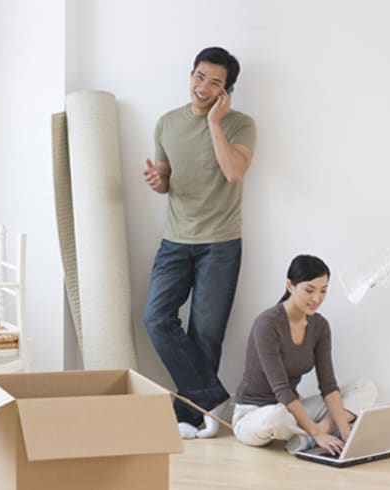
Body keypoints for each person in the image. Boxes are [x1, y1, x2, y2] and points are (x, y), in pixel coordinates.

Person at [141, 46, 257, 440]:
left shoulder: (240, 125)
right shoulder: (167, 123)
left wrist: (214, 123)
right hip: (174, 240)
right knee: (156, 319)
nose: (203, 87)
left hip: (220, 244)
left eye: (214, 82)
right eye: (199, 76)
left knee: (206, 333)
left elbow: (234, 172)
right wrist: (158, 182)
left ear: (227, 90)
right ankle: (211, 399)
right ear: (191, 73)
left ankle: (190, 418)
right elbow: (166, 179)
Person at [231, 255, 377, 455]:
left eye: (323, 290)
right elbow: (282, 390)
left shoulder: (320, 326)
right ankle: (314, 434)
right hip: (257, 414)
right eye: (309, 290)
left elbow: (328, 386)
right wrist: (317, 433)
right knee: (276, 416)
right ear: (290, 286)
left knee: (366, 388)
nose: (317, 299)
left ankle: (308, 437)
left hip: (293, 409)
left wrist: (346, 434)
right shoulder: (267, 323)